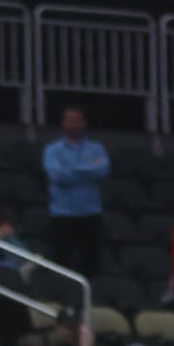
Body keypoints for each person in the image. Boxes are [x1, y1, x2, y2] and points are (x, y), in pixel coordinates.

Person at [43, 106, 108, 278]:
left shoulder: (97, 149)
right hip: (63, 215)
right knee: (61, 264)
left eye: (77, 120)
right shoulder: (52, 150)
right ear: (63, 123)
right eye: (70, 120)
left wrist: (70, 169)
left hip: (90, 214)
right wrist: (87, 170)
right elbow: (57, 176)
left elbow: (101, 170)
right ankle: (64, 302)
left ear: (84, 123)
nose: (74, 124)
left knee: (92, 263)